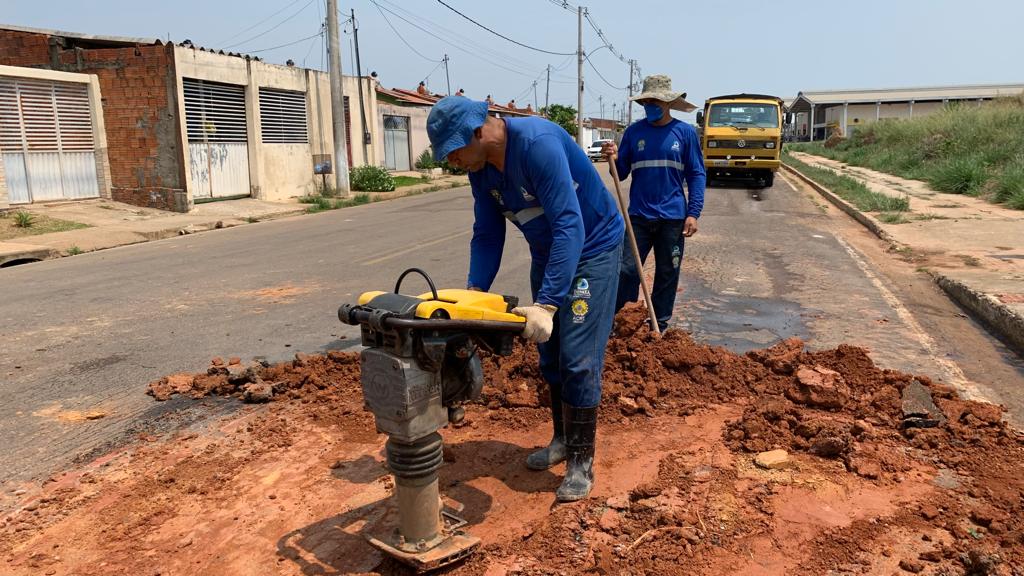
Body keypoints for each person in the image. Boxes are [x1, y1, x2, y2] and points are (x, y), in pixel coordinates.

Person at [427, 97, 624, 502]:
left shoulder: (538, 144)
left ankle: (580, 463)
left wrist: (548, 303)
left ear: (477, 132)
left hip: (593, 250)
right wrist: (474, 295)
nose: (453, 163)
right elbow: (487, 234)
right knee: (549, 355)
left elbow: (571, 224)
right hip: (549, 254)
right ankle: (561, 440)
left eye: (454, 152)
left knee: (578, 358)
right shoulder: (480, 171)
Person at [603, 74, 706, 332]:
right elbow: (622, 171)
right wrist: (613, 159)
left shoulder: (685, 133)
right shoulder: (633, 133)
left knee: (667, 272)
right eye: (646, 100)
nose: (650, 104)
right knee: (626, 269)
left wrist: (693, 213)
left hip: (672, 217)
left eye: (655, 100)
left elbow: (696, 174)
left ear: (667, 102)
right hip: (638, 215)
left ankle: (658, 324)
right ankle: (624, 321)